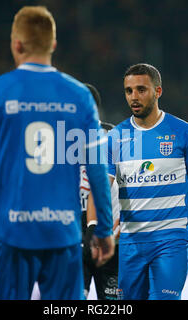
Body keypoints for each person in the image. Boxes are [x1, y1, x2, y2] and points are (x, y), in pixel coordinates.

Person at [0, 6, 114, 300]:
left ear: (16, 44)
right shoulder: (80, 96)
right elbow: (96, 167)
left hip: (12, 232)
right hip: (63, 234)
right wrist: (104, 227)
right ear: (53, 45)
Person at [103, 63, 188, 300]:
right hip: (131, 242)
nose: (134, 97)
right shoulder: (115, 137)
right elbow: (103, 189)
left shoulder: (185, 133)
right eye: (129, 91)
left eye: (141, 89)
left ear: (158, 92)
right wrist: (99, 229)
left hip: (171, 239)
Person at [80, 83, 120, 300]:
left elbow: (132, 185)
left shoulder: (115, 137)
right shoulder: (57, 140)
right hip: (72, 235)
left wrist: (121, 223)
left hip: (108, 233)